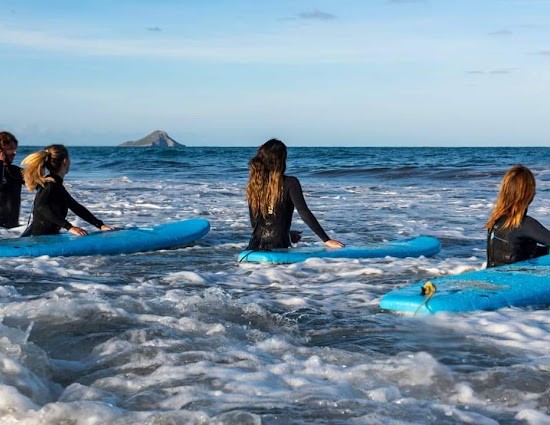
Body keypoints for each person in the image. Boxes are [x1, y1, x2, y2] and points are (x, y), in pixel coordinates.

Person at [245, 138, 344, 250]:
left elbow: (256, 224)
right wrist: (326, 239)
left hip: (254, 248)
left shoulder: (254, 186)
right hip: (279, 247)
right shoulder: (290, 182)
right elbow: (304, 212)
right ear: (281, 160)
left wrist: (287, 234)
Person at [21, 144, 114, 236]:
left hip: (40, 237)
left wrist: (100, 225)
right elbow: (41, 207)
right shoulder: (50, 185)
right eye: (69, 158)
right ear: (65, 161)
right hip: (35, 240)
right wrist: (69, 227)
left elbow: (76, 207)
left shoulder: (55, 184)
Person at [486, 164, 550, 267]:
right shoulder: (525, 224)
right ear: (529, 194)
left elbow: (515, 250)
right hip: (512, 281)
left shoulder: (495, 220)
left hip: (491, 277)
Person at [0, 131, 24, 229]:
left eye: (15, 149)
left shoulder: (16, 171)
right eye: (10, 149)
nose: (15, 153)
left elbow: (39, 185)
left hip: (11, 230)